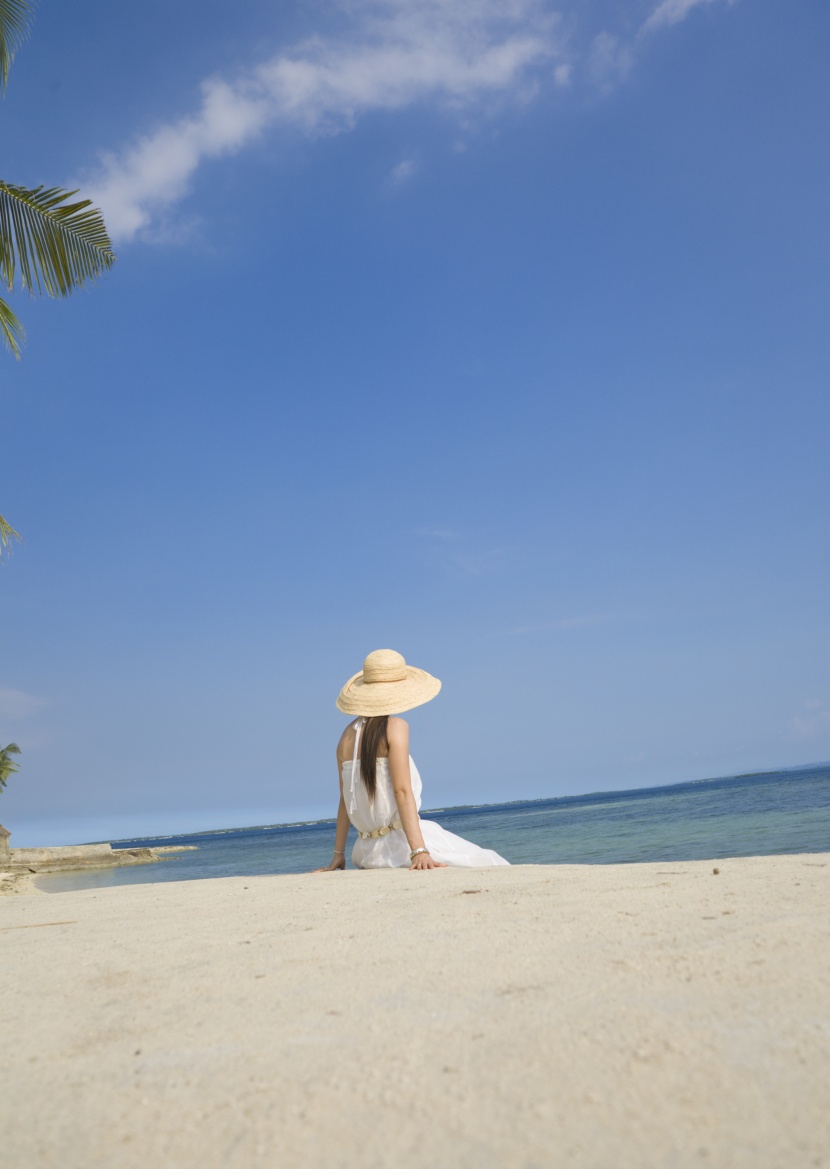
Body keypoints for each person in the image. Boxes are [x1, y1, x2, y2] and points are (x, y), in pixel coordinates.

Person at [315, 649, 509, 872]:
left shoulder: (345, 737)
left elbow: (345, 802)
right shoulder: (396, 727)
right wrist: (419, 851)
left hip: (366, 853)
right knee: (489, 861)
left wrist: (338, 856)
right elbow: (402, 792)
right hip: (401, 846)